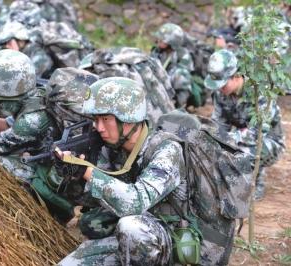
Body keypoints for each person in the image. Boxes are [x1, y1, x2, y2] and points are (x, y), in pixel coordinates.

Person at [55, 77, 236, 265]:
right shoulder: (115, 149)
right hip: (145, 240)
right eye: (96, 119)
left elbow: (135, 203)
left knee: (132, 227)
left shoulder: (167, 150)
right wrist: (74, 175)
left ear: (128, 118)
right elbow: (95, 198)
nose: (98, 127)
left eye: (106, 119)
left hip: (184, 245)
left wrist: (87, 171)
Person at [0, 57, 100, 221]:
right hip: (70, 171)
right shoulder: (39, 97)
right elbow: (10, 126)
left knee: (1, 161)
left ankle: (60, 210)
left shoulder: (31, 121)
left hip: (71, 183)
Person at [204, 49, 285, 200]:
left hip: (268, 142)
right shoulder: (221, 94)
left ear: (235, 76)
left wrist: (228, 139)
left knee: (243, 151)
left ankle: (255, 183)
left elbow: (257, 134)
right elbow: (218, 125)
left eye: (222, 84)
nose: (220, 88)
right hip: (241, 137)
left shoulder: (258, 92)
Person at [151, 23, 195, 108]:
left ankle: (179, 108)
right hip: (158, 84)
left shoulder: (182, 54)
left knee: (181, 75)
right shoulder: (157, 51)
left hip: (172, 87)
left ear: (172, 42)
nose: (158, 40)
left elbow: (183, 75)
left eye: (162, 39)